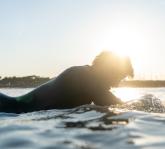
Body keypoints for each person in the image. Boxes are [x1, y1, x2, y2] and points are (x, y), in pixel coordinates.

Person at [0, 51, 134, 113]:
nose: (117, 84)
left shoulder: (85, 73)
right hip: (11, 109)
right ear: (109, 69)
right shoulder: (86, 76)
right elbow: (113, 104)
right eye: (119, 77)